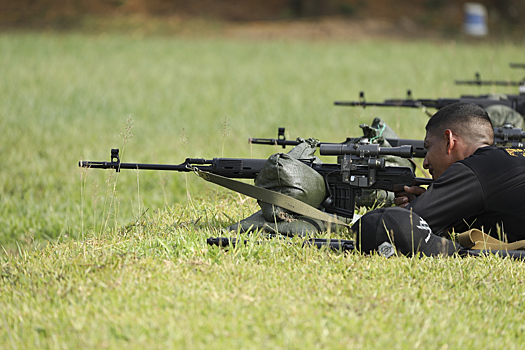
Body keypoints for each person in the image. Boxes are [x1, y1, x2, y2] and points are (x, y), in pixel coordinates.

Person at [394, 102, 525, 243]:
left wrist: (413, 208)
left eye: (428, 146)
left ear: (448, 141)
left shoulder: (476, 168)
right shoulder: (505, 161)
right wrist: (439, 207)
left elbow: (400, 226)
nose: (425, 163)